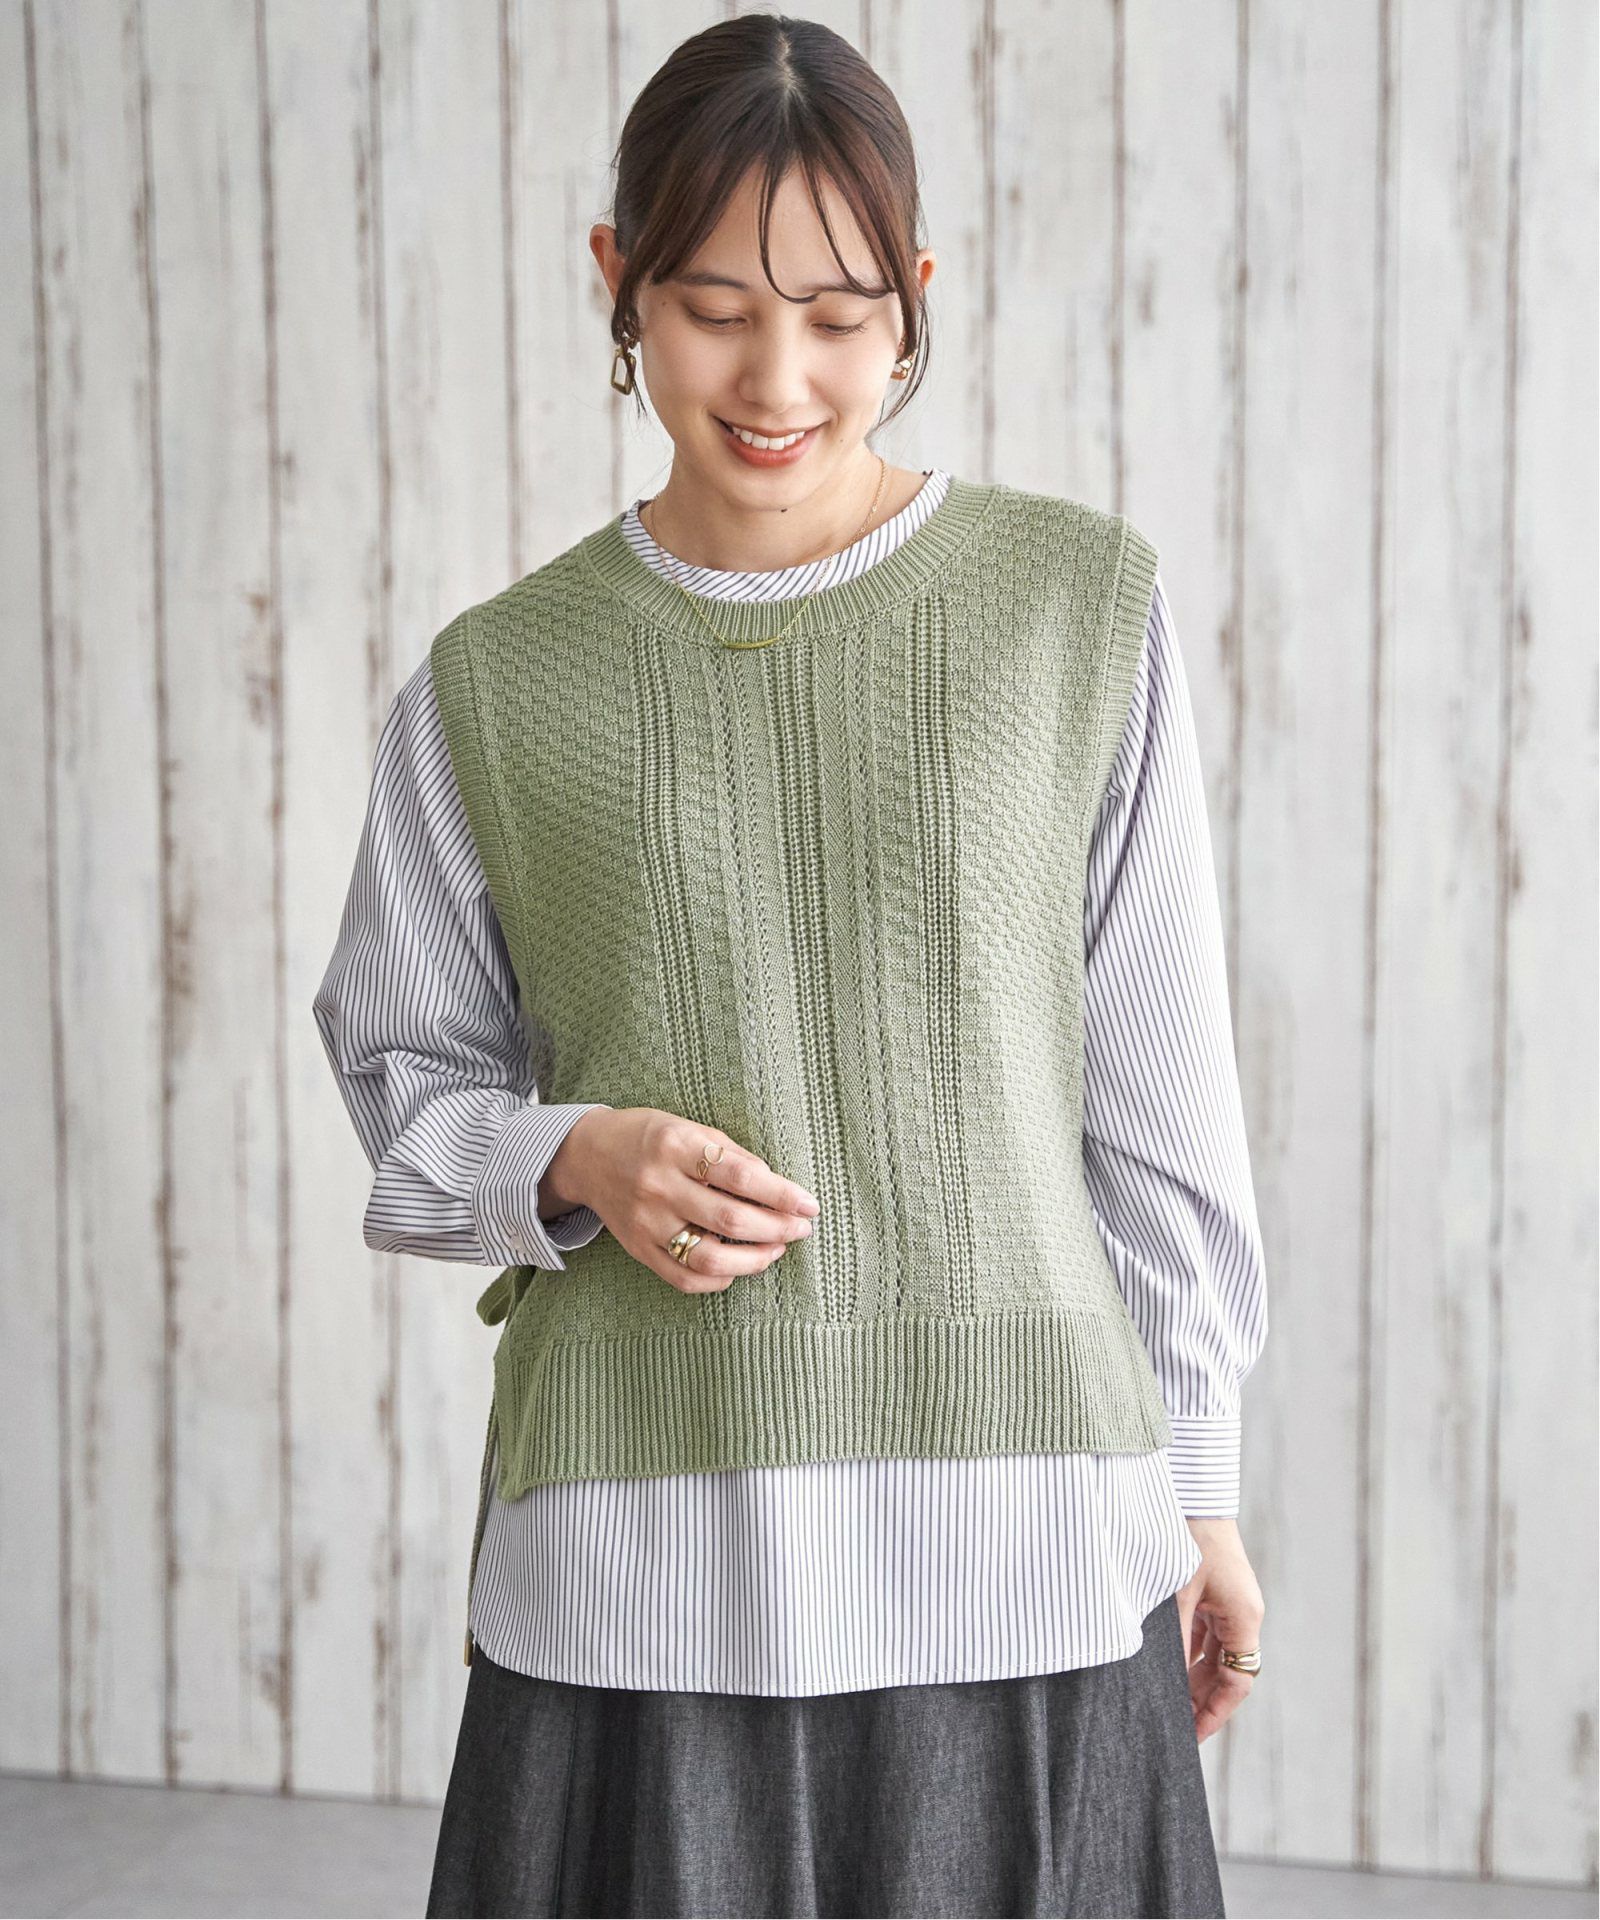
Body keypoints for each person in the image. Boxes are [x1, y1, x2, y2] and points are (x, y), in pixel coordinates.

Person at [311, 15, 1268, 1916]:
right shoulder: (493, 683)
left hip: (1030, 1535)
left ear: (914, 299)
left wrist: (1200, 1483)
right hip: (646, 1559)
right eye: (712, 309)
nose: (775, 378)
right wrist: (571, 1156)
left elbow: (1160, 1101)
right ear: (620, 283)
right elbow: (404, 1082)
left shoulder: (1077, 610)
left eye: (838, 317)